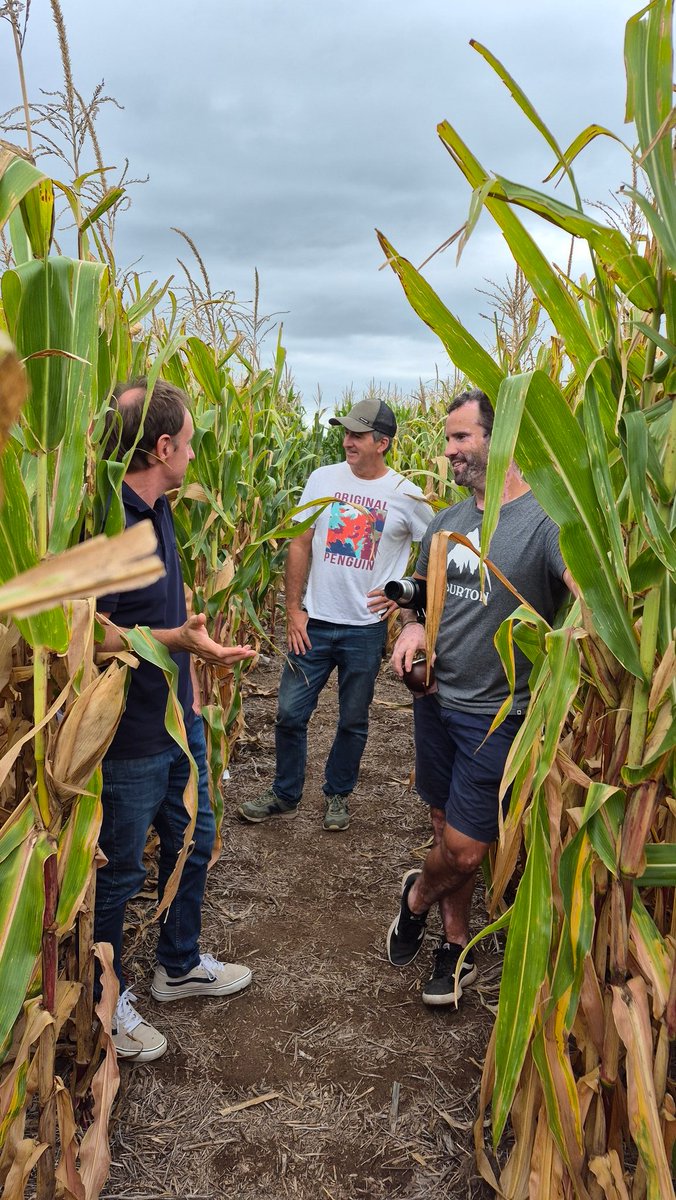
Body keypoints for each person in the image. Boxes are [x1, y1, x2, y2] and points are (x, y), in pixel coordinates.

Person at [386, 389, 574, 1006]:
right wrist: (413, 625)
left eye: (461, 439)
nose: (449, 452)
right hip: (435, 700)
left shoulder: (543, 523)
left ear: (503, 439)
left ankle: (416, 897)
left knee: (464, 852)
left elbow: (590, 594)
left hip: (498, 714)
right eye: (448, 441)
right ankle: (456, 943)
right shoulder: (448, 522)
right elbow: (420, 598)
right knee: (444, 824)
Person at [95, 378, 256, 1062]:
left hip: (176, 712)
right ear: (163, 447)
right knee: (120, 870)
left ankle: (179, 962)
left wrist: (192, 660)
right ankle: (102, 1002)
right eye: (188, 443)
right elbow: (82, 632)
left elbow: (166, 607)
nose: (193, 453)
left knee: (197, 832)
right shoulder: (107, 523)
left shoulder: (157, 508)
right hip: (127, 732)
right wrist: (175, 643)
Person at [238, 397, 433, 831]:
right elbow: (299, 542)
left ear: (382, 442)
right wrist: (293, 609)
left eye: (357, 435)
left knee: (353, 719)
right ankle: (285, 793)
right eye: (345, 432)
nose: (347, 441)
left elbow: (438, 546)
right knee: (289, 713)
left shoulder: (406, 495)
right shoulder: (322, 479)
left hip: (365, 630)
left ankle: (338, 795)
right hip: (316, 622)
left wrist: (406, 595)